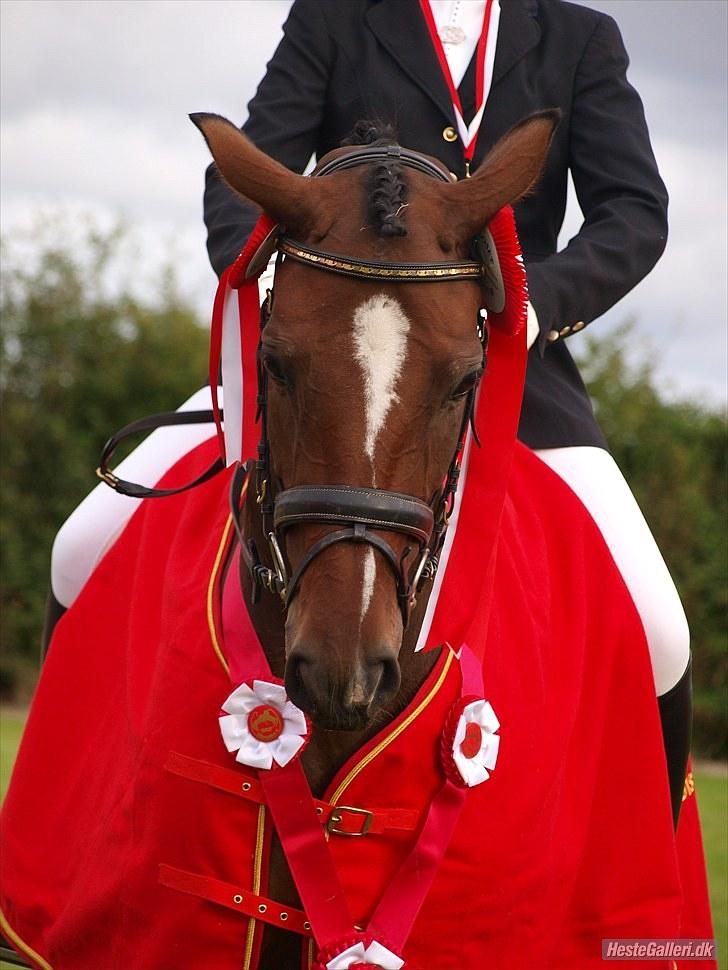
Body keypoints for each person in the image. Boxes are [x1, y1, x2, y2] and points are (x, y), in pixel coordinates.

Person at [50, 0, 691, 821]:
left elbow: (635, 211)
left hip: (503, 366)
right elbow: (238, 183)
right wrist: (287, 298)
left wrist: (528, 307)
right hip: (328, 364)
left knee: (659, 628)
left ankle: (646, 877)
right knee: (82, 546)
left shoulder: (579, 36)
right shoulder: (335, 16)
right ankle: (60, 821)